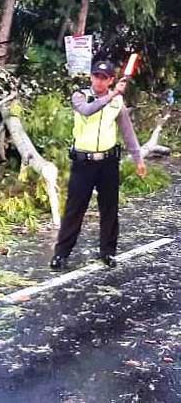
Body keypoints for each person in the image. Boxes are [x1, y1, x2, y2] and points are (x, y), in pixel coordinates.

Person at [49, 60, 147, 271]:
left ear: (111, 80)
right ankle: (61, 254)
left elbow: (127, 132)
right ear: (91, 77)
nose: (99, 81)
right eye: (96, 76)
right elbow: (87, 110)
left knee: (109, 208)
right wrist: (113, 94)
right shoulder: (80, 96)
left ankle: (108, 252)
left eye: (104, 78)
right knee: (75, 209)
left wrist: (138, 159)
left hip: (108, 163)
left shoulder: (117, 102)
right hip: (83, 162)